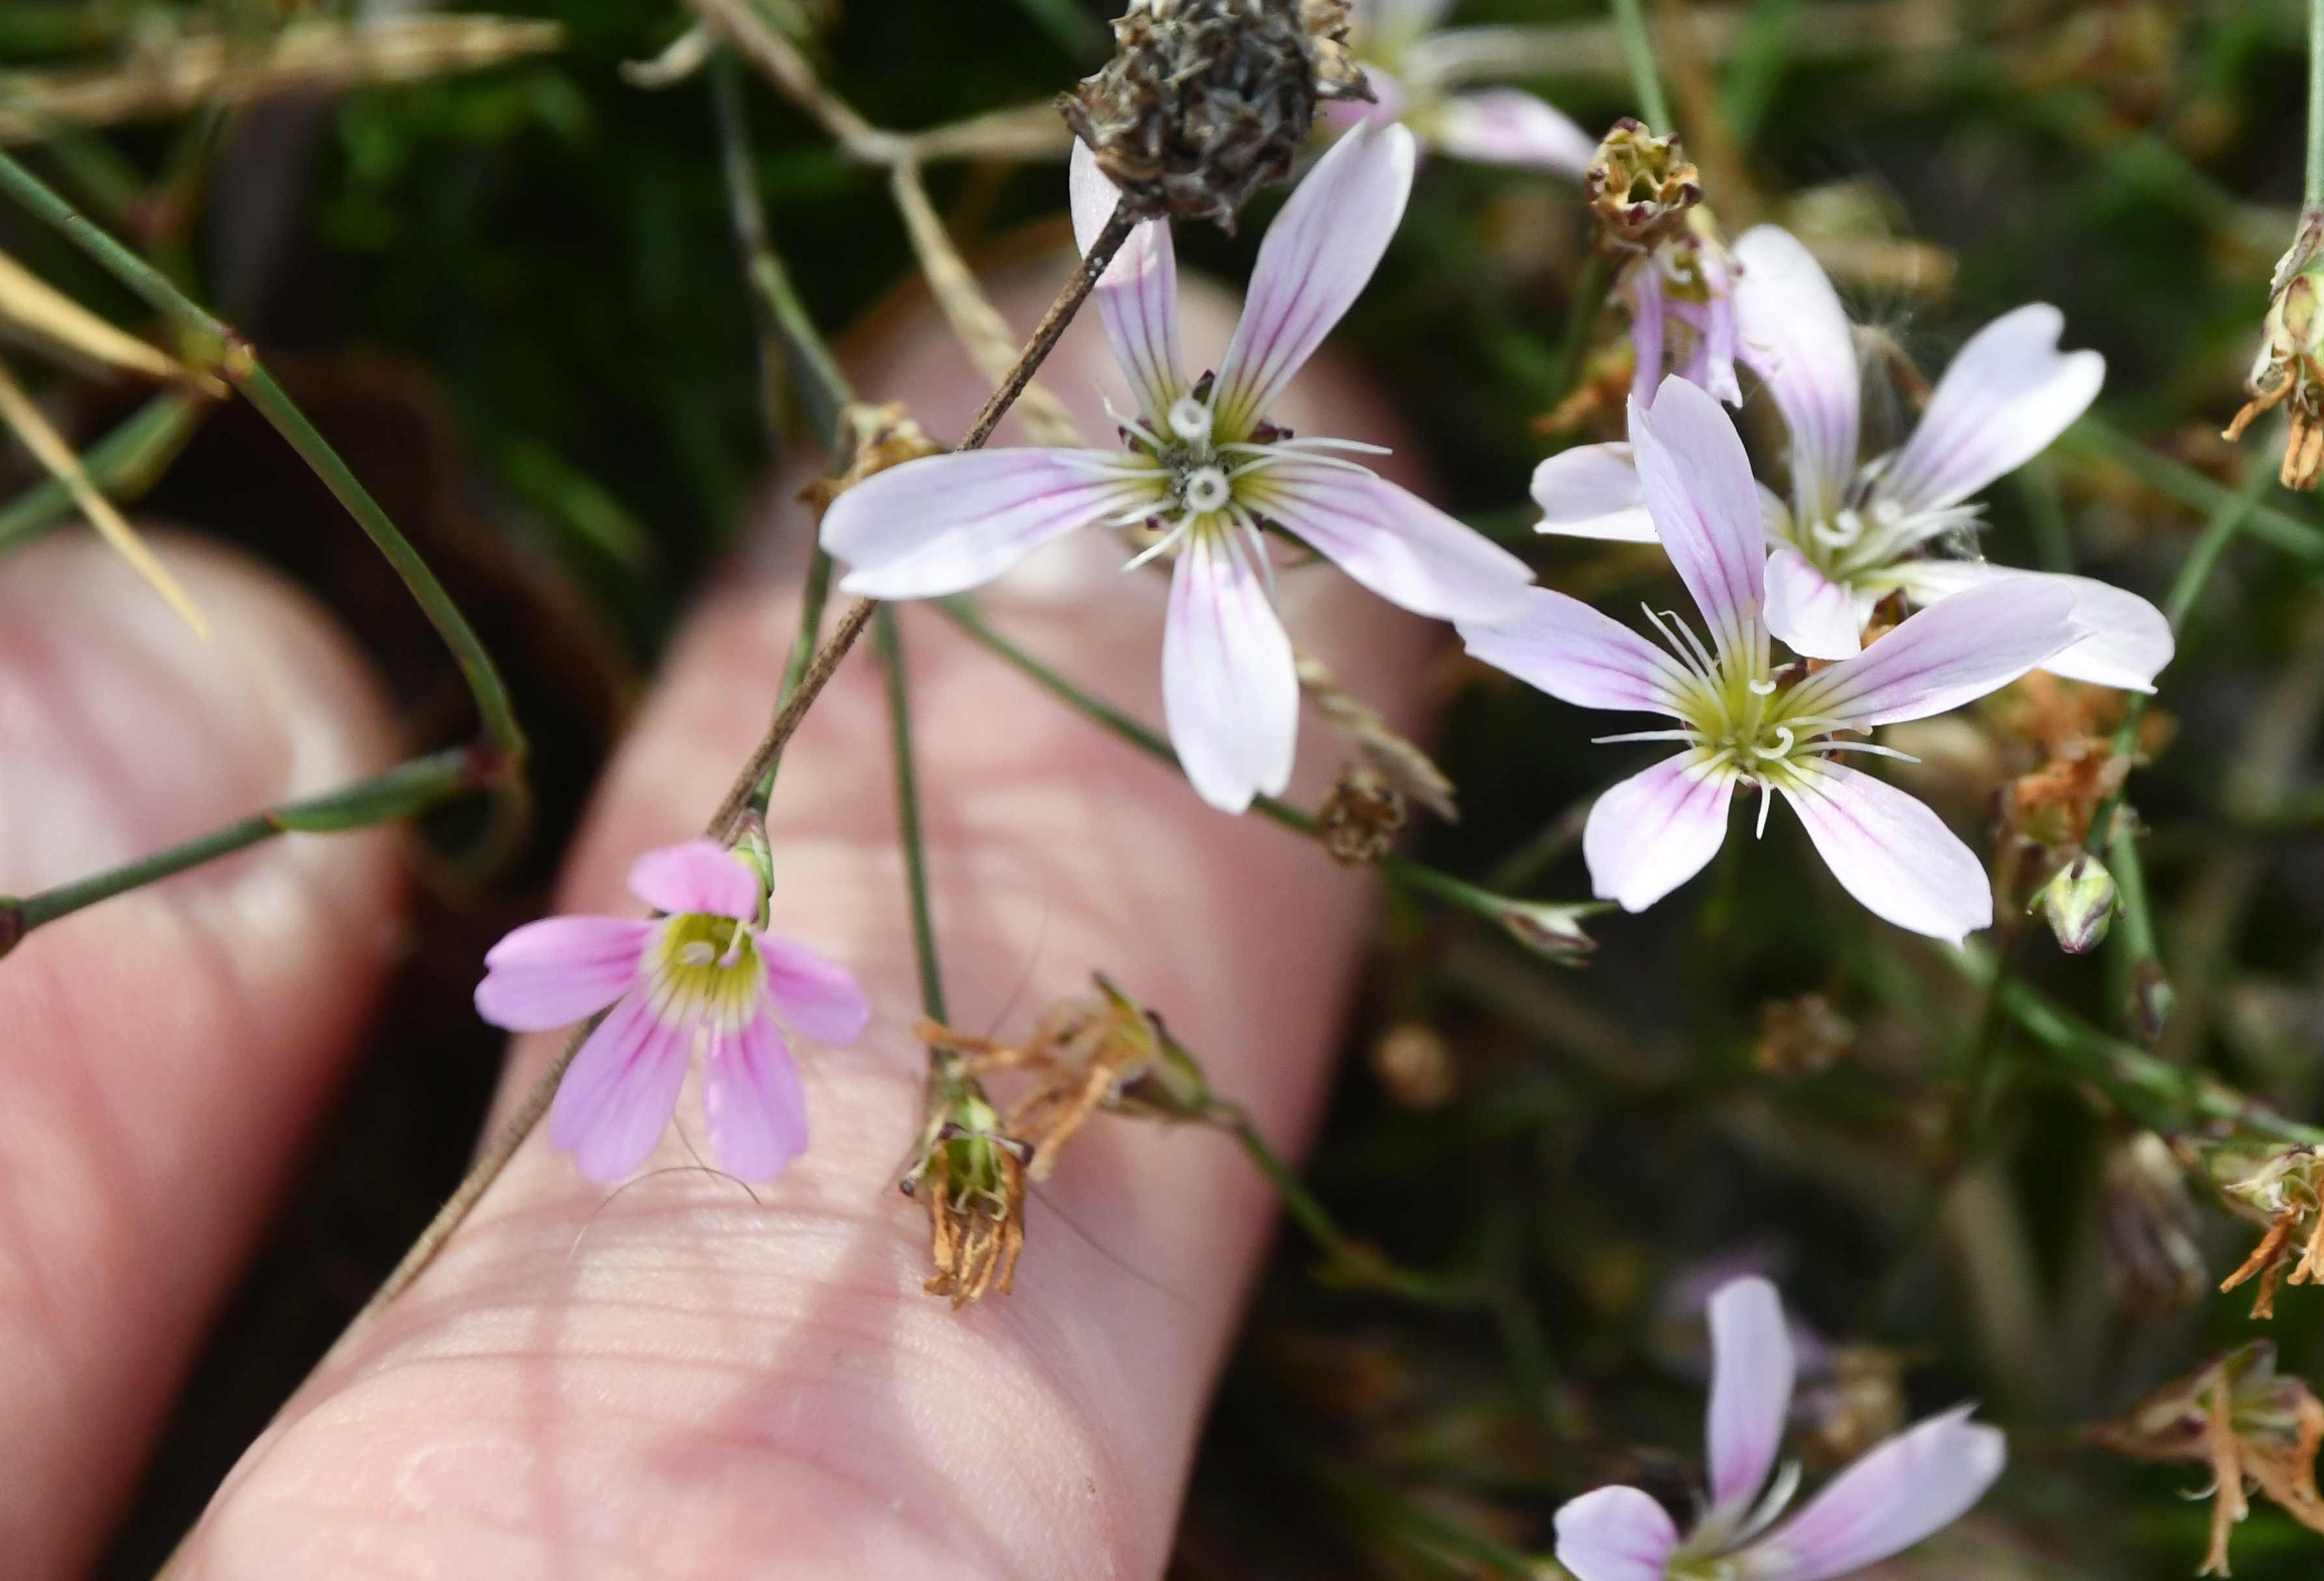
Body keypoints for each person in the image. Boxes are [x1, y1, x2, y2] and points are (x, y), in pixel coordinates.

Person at [0, 258, 1415, 1574]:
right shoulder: (711, 927)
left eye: (718, 937)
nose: (713, 945)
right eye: (706, 936)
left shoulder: (733, 948)